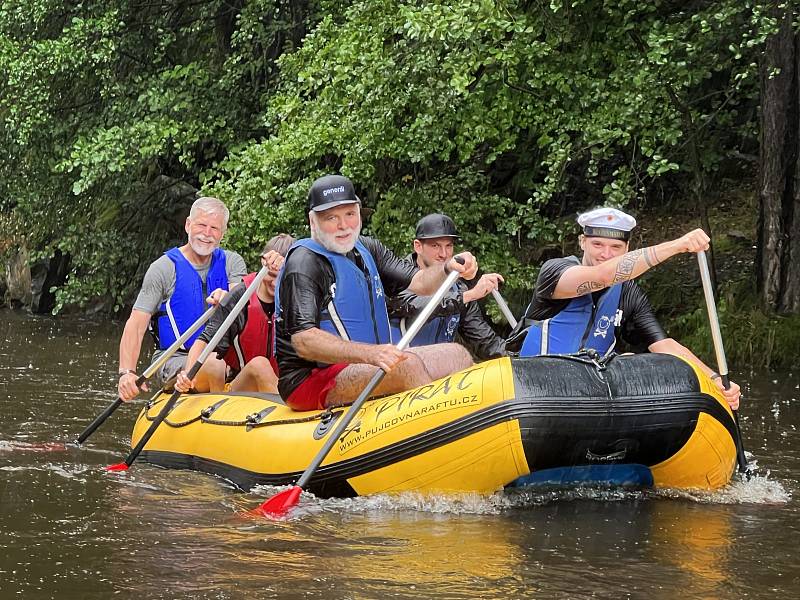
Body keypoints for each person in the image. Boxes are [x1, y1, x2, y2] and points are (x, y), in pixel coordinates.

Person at [275, 174, 479, 411]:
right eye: (331, 217)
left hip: (364, 364)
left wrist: (448, 267)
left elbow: (421, 282)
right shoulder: (304, 262)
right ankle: (444, 434)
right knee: (407, 366)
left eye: (350, 214)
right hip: (310, 379)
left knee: (457, 355)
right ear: (313, 221)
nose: (343, 226)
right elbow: (304, 341)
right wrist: (371, 354)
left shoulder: (367, 248)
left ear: (359, 214)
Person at [512, 206, 741, 409]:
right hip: (533, 386)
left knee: (632, 359)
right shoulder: (555, 271)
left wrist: (713, 379)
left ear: (627, 248)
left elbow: (663, 344)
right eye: (597, 244)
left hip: (588, 395)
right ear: (583, 242)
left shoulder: (628, 293)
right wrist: (677, 246)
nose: (606, 254)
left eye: (615, 247)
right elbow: (602, 276)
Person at [117, 196, 247, 401]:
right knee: (213, 363)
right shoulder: (163, 269)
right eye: (201, 225)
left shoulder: (233, 263)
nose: (207, 234)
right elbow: (136, 324)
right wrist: (127, 372)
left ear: (222, 233)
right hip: (175, 360)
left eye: (214, 228)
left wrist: (228, 297)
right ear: (188, 225)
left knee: (244, 364)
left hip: (225, 360)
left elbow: (242, 301)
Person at [175, 234, 294, 395]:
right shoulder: (240, 296)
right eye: (271, 275)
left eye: (282, 279)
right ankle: (215, 405)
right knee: (233, 363)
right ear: (262, 263)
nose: (275, 283)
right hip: (238, 386)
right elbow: (204, 341)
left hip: (277, 383)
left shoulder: (297, 298)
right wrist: (188, 374)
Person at [387, 213, 506, 360]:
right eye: (435, 246)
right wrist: (470, 295)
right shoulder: (396, 278)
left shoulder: (458, 287)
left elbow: (486, 343)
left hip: (438, 374)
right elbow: (415, 306)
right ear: (418, 246)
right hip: (397, 370)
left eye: (448, 246)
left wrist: (519, 359)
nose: (443, 254)